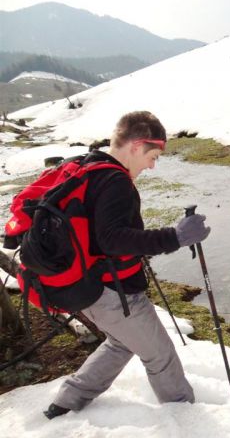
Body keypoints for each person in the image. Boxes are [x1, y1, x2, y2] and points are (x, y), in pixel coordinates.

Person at [44, 111, 211, 419]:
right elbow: (112, 240)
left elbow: (100, 235)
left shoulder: (90, 165)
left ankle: (68, 400)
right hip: (113, 293)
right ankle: (187, 422)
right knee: (160, 356)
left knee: (121, 342)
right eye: (153, 156)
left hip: (85, 288)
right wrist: (175, 236)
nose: (152, 165)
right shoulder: (115, 181)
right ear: (136, 146)